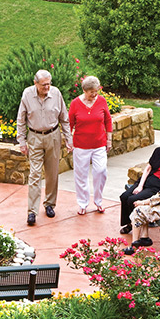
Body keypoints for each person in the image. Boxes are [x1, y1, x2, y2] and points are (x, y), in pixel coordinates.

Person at [17, 69, 74, 226]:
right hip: (34, 137)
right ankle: (32, 211)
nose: (47, 87)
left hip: (53, 136)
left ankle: (49, 204)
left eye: (49, 84)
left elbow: (64, 118)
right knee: (35, 174)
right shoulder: (27, 94)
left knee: (52, 173)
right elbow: (21, 119)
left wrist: (69, 139)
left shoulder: (56, 93)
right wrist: (21, 141)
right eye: (43, 85)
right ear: (35, 83)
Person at [119, 128, 160, 234]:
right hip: (147, 180)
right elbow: (148, 168)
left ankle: (132, 225)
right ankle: (130, 222)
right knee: (124, 196)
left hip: (158, 186)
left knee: (132, 200)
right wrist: (140, 185)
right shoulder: (159, 151)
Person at [68, 75, 113, 215]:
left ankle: (98, 201)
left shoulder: (101, 101)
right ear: (84, 90)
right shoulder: (75, 103)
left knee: (101, 171)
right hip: (81, 145)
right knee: (81, 176)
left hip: (99, 143)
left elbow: (108, 120)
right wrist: (68, 141)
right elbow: (69, 123)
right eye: (91, 92)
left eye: (96, 91)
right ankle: (82, 203)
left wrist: (109, 139)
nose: (94, 95)